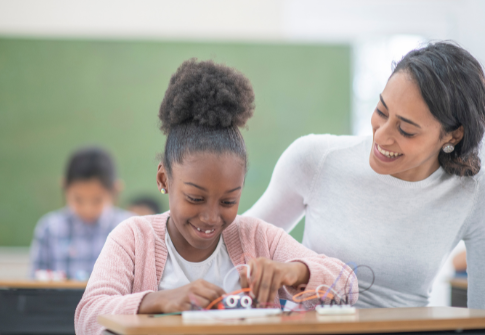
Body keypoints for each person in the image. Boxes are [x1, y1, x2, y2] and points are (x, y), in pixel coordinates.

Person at [75, 60, 357, 334]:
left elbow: (347, 284)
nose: (211, 217)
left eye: (228, 201)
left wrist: (296, 273)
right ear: (164, 179)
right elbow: (88, 317)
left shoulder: (257, 238)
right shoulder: (133, 238)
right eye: (195, 198)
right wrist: (159, 300)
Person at [245, 42, 485, 311]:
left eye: (406, 130)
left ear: (453, 135)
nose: (381, 135)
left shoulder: (481, 193)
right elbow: (236, 242)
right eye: (381, 111)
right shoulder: (315, 158)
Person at [29, 147, 132, 280]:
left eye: (97, 200)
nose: (87, 209)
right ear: (64, 187)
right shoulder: (50, 228)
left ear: (115, 190)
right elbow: (34, 283)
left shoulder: (129, 228)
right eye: (78, 199)